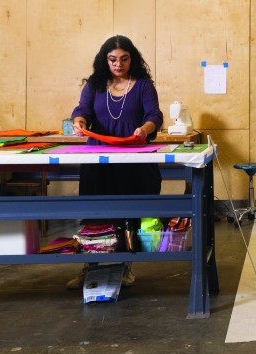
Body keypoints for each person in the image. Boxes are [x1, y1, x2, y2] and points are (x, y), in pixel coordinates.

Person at [67, 34, 164, 289]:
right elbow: (82, 111)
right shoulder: (95, 85)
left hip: (132, 157)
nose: (118, 64)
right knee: (95, 214)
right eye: (112, 60)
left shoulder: (142, 85)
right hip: (98, 158)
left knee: (128, 215)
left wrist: (145, 128)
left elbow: (154, 115)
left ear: (132, 59)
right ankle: (90, 267)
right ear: (104, 60)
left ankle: (125, 265)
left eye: (123, 59)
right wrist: (79, 122)